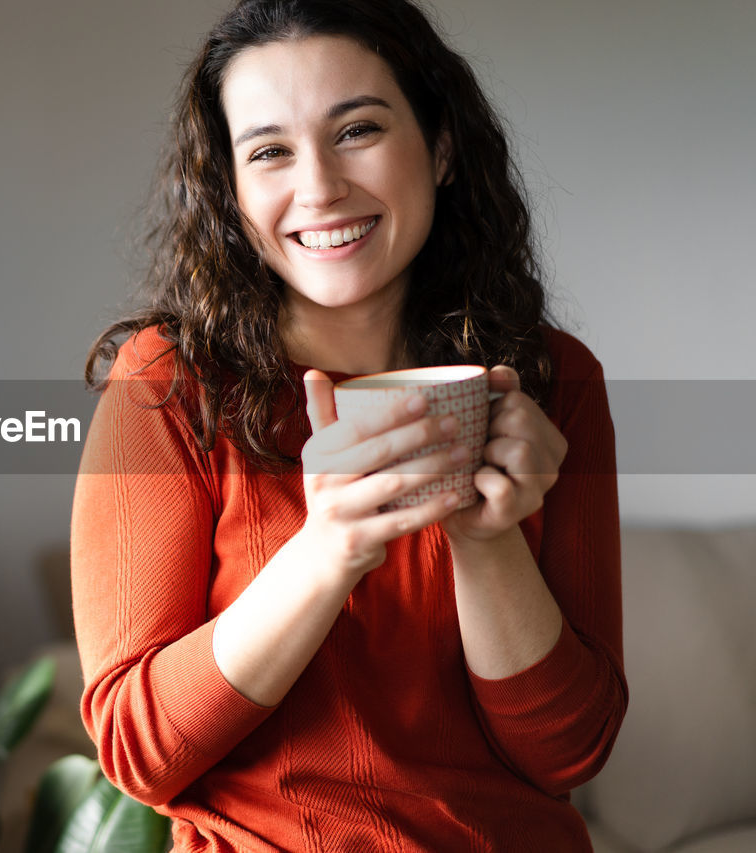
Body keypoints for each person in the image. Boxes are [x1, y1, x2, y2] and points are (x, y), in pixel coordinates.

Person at [70, 0, 627, 850]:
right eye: (269, 152)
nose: (320, 188)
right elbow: (139, 751)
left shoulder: (554, 381)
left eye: (357, 130)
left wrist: (488, 539)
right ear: (232, 188)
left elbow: (569, 753)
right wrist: (329, 550)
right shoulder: (168, 383)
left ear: (440, 147)